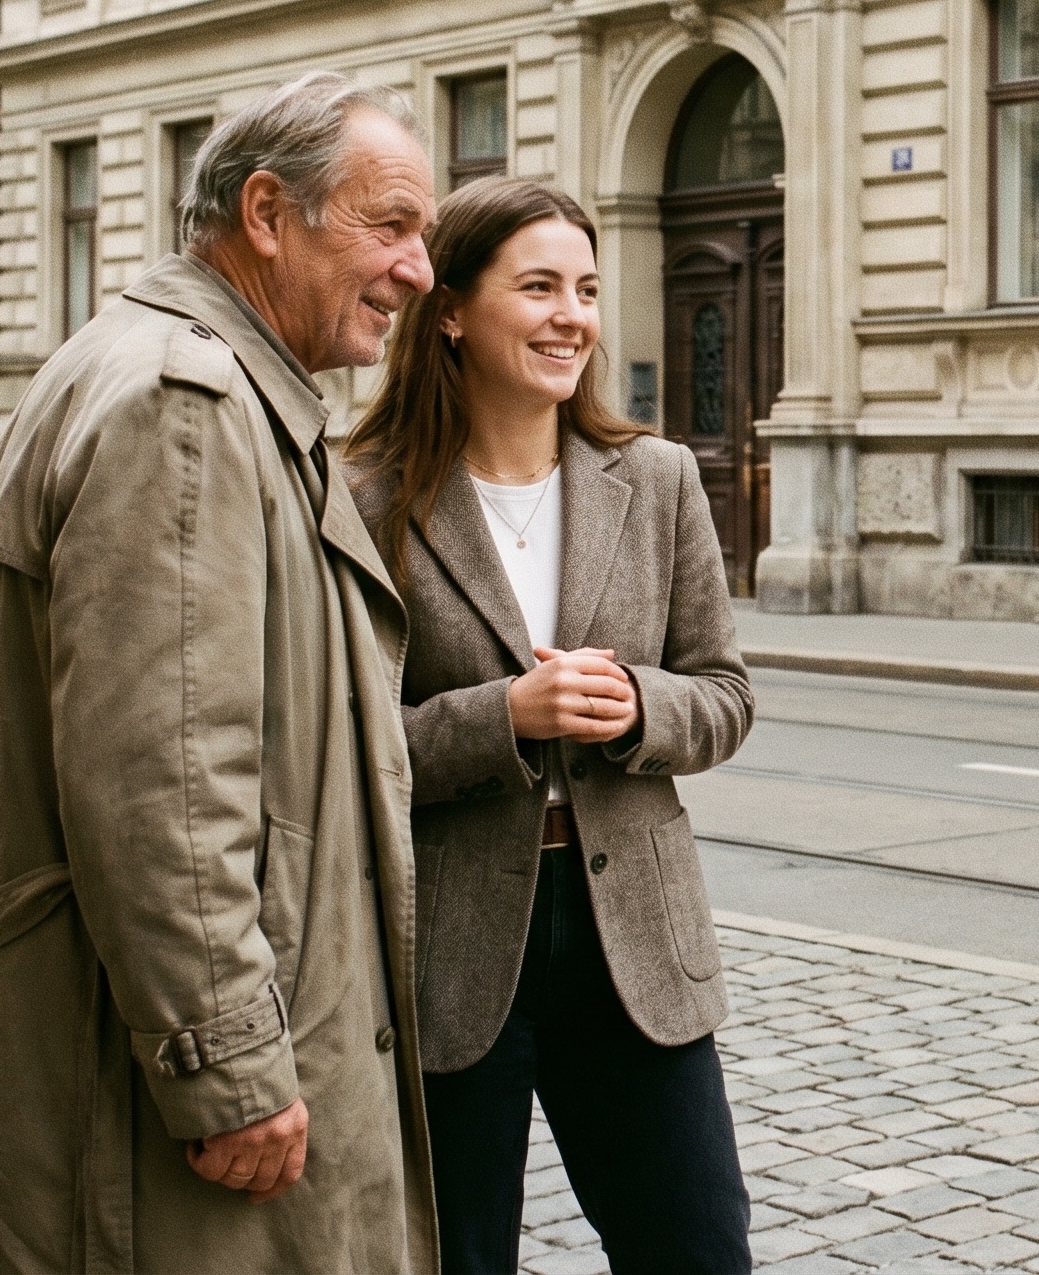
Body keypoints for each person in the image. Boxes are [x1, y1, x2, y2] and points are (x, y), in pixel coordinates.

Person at [0, 73, 442, 1274]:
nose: (417, 272)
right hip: (144, 1090)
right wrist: (229, 1062)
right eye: (392, 226)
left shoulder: (181, 373)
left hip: (115, 1042)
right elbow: (164, 778)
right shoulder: (184, 404)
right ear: (267, 213)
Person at [350, 178, 753, 1275]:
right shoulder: (364, 497)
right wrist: (503, 718)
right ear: (449, 310)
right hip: (448, 944)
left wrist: (637, 707)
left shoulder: (655, 479)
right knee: (456, 1255)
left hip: (631, 937)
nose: (572, 314)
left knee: (697, 1251)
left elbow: (723, 694)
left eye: (583, 287)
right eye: (536, 287)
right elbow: (338, 745)